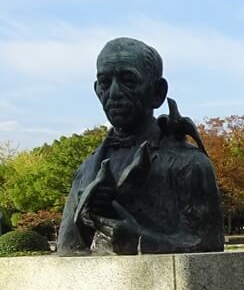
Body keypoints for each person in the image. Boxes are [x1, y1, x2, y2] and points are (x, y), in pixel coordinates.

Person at [57, 37, 225, 256]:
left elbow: (208, 243)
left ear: (157, 92)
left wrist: (138, 239)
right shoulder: (88, 169)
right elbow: (67, 248)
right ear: (97, 90)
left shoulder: (190, 164)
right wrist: (85, 215)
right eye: (105, 82)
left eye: (128, 80)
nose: (114, 93)